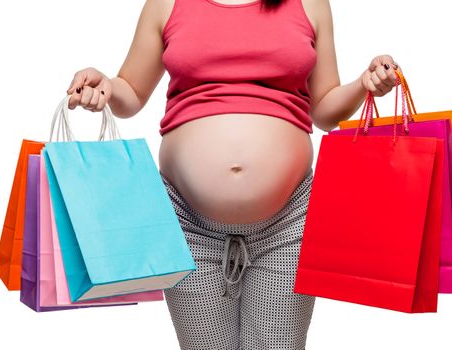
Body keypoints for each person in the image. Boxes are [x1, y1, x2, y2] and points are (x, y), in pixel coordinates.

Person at [65, 0, 400, 348]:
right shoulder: (166, 3)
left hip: (287, 224)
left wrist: (363, 85)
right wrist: (106, 86)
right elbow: (131, 92)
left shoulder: (310, 4)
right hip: (188, 226)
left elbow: (324, 110)